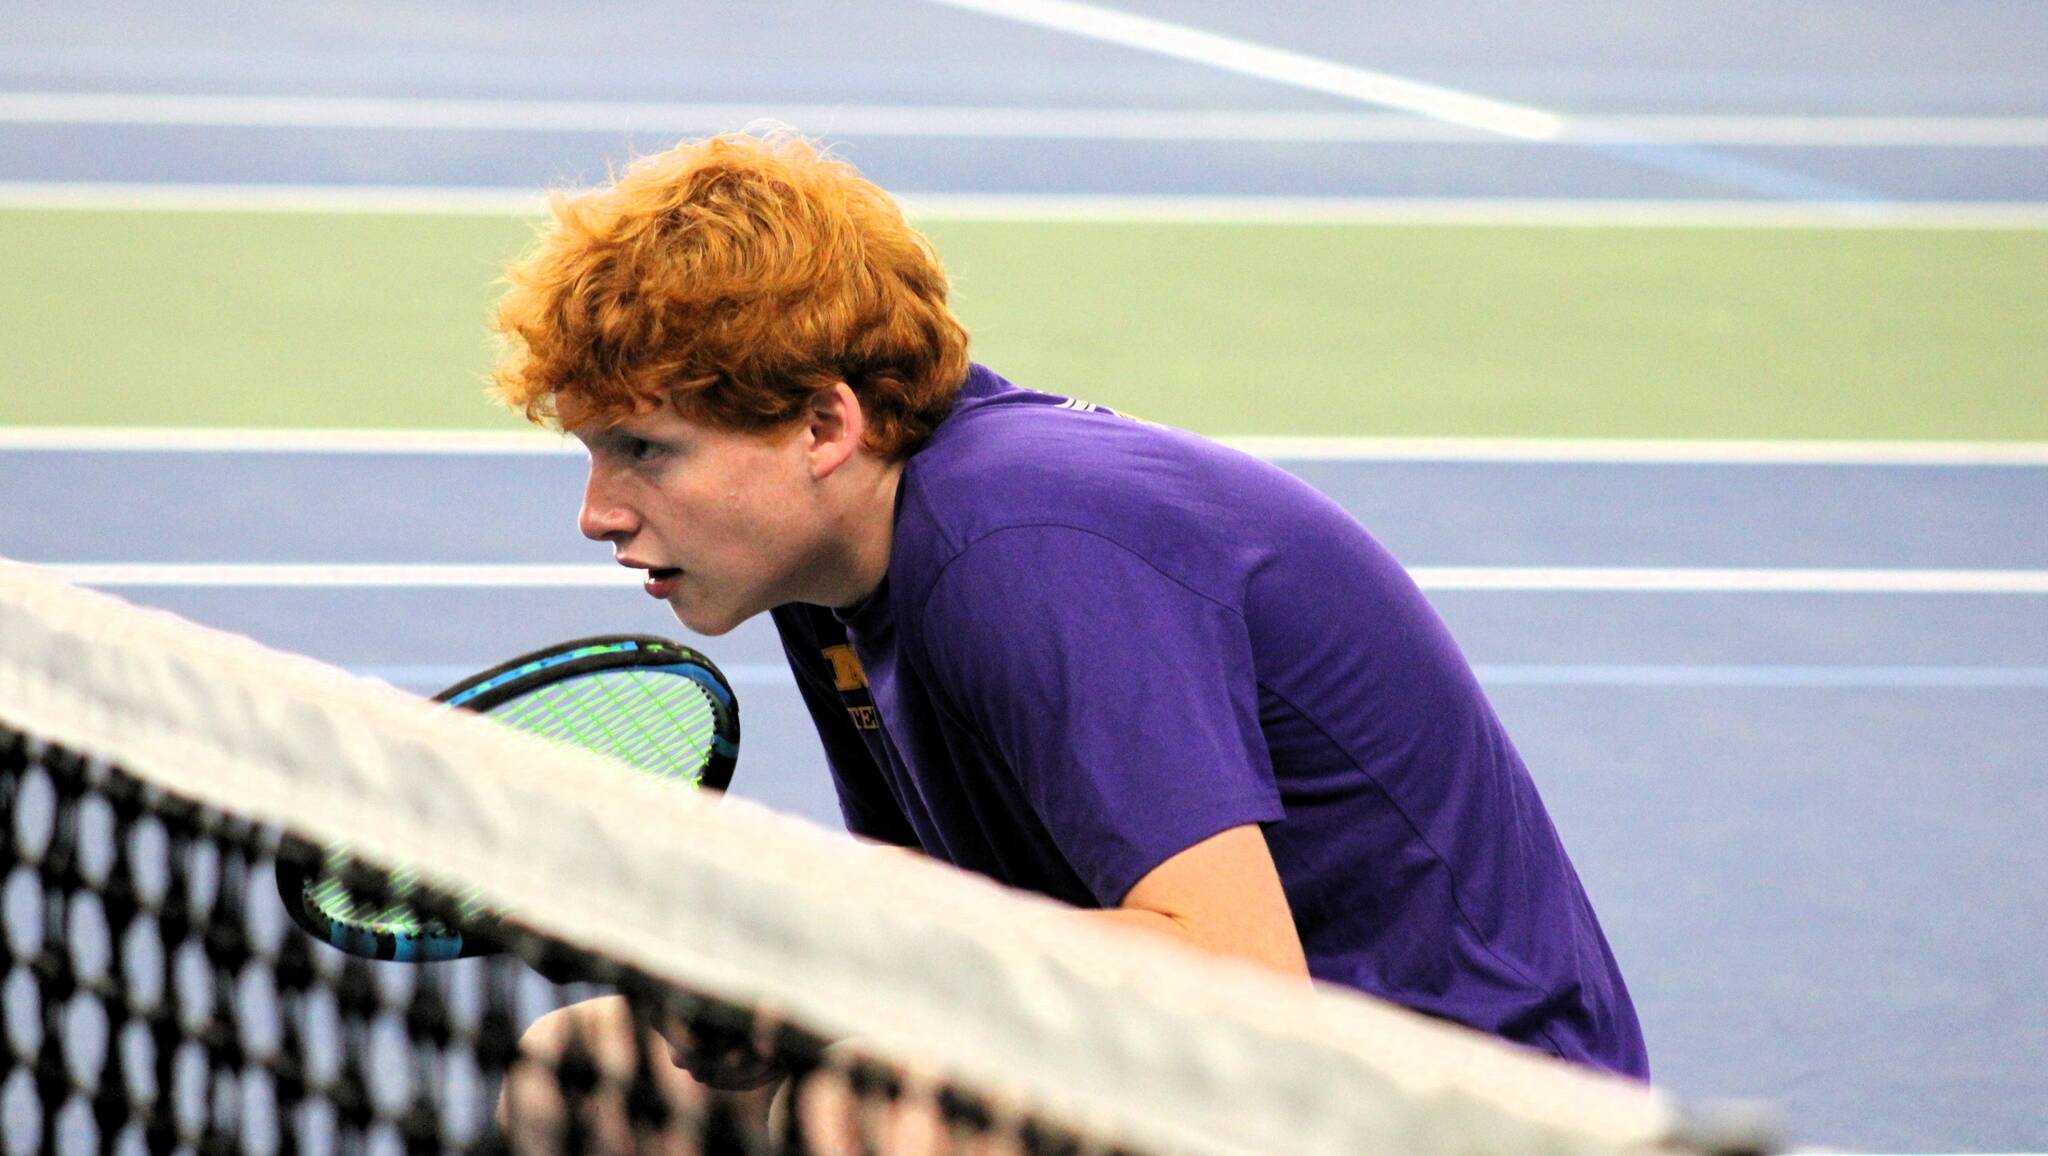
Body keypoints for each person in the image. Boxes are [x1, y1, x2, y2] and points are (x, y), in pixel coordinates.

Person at [486, 129, 1648, 1149]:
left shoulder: (1026, 547)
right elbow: (974, 927)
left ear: (824, 423)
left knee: (876, 1114)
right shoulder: (831, 574)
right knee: (588, 1075)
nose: (599, 511)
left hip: (1460, 1098)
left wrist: (822, 973)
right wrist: (776, 979)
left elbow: (1241, 979)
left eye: (645, 450)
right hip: (1229, 1076)